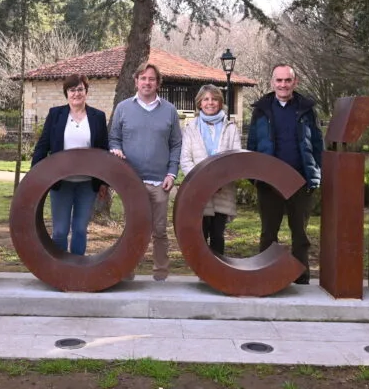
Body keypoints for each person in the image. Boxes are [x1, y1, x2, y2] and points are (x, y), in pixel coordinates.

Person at [247, 64, 323, 285]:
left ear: (294, 82)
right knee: (268, 233)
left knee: (300, 234)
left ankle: (302, 278)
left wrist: (315, 174)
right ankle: (266, 277)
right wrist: (255, 177)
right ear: (272, 82)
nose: (283, 85)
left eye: (287, 80)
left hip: (300, 180)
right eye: (278, 80)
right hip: (269, 182)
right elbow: (252, 145)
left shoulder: (307, 109)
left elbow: (318, 145)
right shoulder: (261, 109)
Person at [109, 62, 182, 280]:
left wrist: (171, 173)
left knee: (159, 230)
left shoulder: (169, 110)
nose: (147, 82)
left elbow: (176, 144)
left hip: (160, 182)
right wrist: (115, 149)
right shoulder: (123, 108)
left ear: (158, 83)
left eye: (151, 79)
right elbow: (114, 138)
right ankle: (127, 269)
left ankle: (160, 272)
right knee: (132, 228)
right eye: (143, 78)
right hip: (131, 182)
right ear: (136, 81)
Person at [32, 74, 109, 255]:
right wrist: (34, 177)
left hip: (87, 184)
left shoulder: (98, 117)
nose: (76, 93)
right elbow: (43, 146)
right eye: (72, 90)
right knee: (60, 231)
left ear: (86, 92)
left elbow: (104, 151)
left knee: (80, 230)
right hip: (61, 184)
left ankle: (77, 270)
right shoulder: (55, 114)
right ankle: (60, 271)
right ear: (66, 93)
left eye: (80, 89)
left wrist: (104, 182)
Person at [179, 85, 242, 255]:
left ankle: (218, 275)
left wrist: (219, 182)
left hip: (223, 190)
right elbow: (185, 160)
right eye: (206, 99)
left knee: (217, 235)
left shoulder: (231, 128)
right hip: (199, 190)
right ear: (199, 103)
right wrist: (202, 182)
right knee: (200, 233)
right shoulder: (190, 128)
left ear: (220, 102)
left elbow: (236, 160)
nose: (210, 103)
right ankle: (203, 274)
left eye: (214, 99)